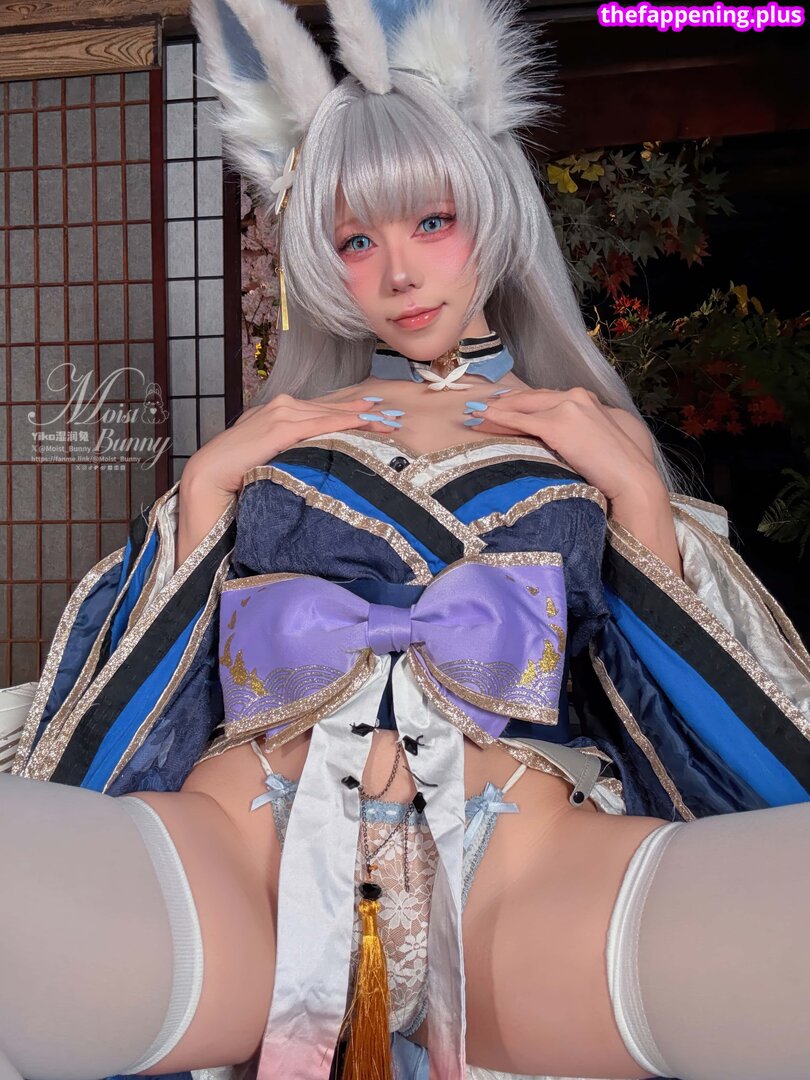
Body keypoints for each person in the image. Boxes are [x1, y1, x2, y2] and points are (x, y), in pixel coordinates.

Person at [3, 1, 810, 1080]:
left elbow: (673, 698)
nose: (397, 274)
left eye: (431, 222)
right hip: (247, 859)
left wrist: (634, 495)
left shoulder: (578, 434)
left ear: (493, 207)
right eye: (355, 240)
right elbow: (151, 706)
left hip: (521, 876)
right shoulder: (278, 440)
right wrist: (203, 494)